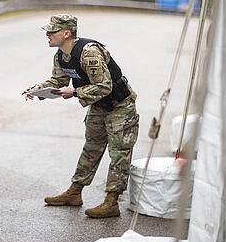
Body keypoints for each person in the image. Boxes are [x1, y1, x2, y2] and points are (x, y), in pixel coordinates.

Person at [23, 14, 139, 218]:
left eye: (52, 31)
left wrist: (75, 92)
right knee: (91, 147)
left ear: (67, 33)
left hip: (120, 106)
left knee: (119, 153)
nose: (48, 34)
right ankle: (74, 193)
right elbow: (59, 80)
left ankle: (112, 202)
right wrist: (39, 88)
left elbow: (105, 86)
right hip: (98, 105)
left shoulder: (89, 53)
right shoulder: (61, 55)